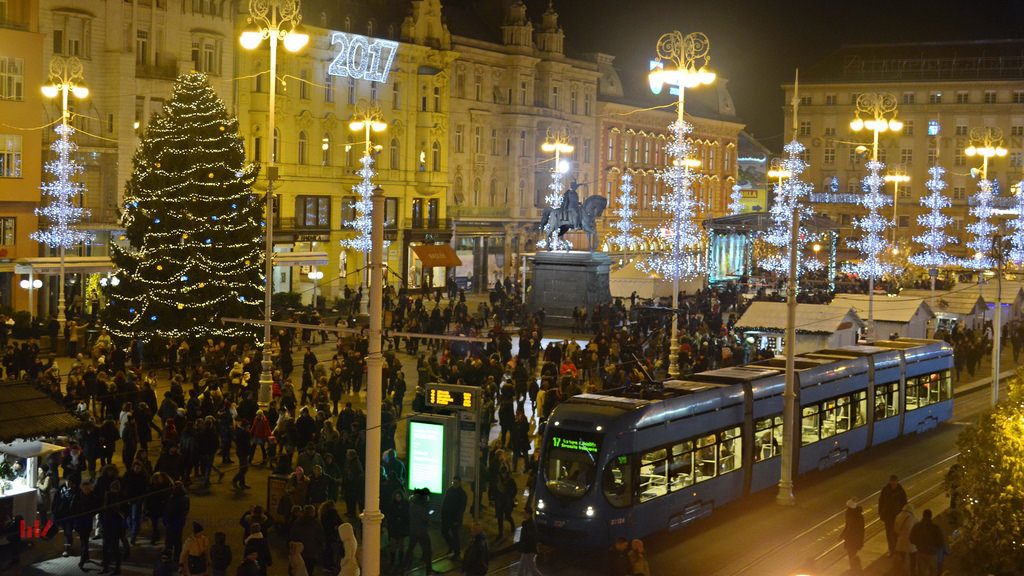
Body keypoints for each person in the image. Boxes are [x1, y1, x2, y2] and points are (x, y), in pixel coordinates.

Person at [878, 474, 908, 557]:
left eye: (895, 482)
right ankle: (892, 550)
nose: (894, 483)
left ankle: (898, 550)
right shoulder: (885, 490)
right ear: (890, 481)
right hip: (888, 516)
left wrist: (904, 514)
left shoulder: (901, 491)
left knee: (897, 534)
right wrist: (881, 513)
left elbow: (905, 503)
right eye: (893, 482)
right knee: (889, 534)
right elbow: (881, 502)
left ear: (897, 482)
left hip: (898, 516)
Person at [910, 509, 946, 576]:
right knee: (932, 571)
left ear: (923, 516)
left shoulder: (917, 526)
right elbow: (940, 541)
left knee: (921, 572)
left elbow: (911, 538)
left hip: (921, 551)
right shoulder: (935, 528)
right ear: (931, 516)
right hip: (932, 553)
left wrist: (918, 544)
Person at [441, 476, 467, 560]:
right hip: (447, 516)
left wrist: (457, 520)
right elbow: (444, 503)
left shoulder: (462, 494)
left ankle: (456, 552)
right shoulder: (449, 491)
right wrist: (443, 515)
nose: (454, 484)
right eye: (453, 482)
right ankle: (452, 546)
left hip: (455, 518)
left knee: (455, 534)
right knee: (444, 531)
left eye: (455, 482)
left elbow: (461, 509)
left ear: (459, 483)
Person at [840, 499, 865, 573]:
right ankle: (854, 569)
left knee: (851, 554)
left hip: (852, 539)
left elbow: (848, 527)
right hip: (854, 539)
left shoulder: (851, 515)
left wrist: (842, 536)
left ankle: (853, 570)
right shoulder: (857, 515)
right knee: (852, 554)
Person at [893, 503, 917, 576]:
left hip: (901, 542)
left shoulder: (898, 516)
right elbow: (916, 529)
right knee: (913, 559)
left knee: (902, 559)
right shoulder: (913, 518)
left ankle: (903, 573)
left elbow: (896, 530)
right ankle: (912, 572)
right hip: (911, 543)